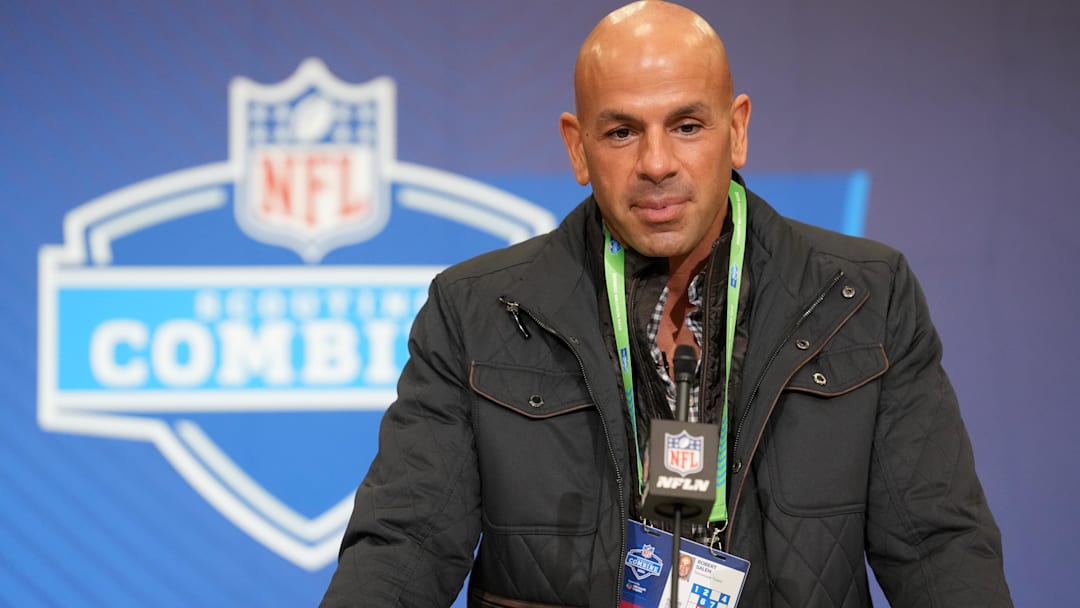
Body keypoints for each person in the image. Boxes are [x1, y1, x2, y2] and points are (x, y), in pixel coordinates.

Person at [321, 1, 1012, 606]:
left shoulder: (863, 295)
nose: (656, 162)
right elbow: (404, 546)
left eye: (686, 125)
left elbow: (936, 548)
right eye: (622, 132)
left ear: (736, 129)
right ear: (577, 146)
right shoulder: (476, 311)